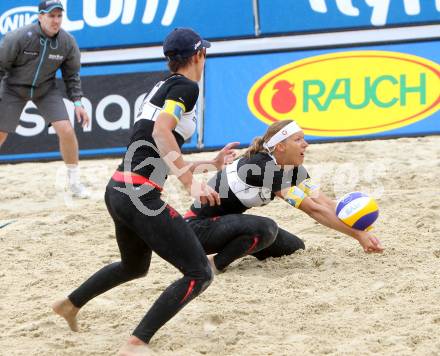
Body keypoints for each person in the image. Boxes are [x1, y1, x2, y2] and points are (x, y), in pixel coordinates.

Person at [52, 28, 238, 354]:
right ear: (198, 55)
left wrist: (211, 162)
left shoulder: (163, 87)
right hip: (139, 196)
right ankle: (136, 343)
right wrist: (189, 182)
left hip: (119, 190)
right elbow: (161, 133)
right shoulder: (186, 86)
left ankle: (69, 304)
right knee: (198, 273)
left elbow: (157, 150)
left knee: (134, 266)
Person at [184, 120, 384, 273]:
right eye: (298, 140)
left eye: (304, 139)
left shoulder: (293, 167)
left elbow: (323, 202)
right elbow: (312, 209)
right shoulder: (262, 166)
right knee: (266, 228)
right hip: (197, 231)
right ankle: (212, 265)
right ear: (280, 146)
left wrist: (358, 225)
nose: (306, 144)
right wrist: (358, 236)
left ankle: (239, 246)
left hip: (227, 225)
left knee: (294, 247)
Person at [0, 0, 90, 198]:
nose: (56, 20)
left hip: (44, 89)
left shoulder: (67, 42)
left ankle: (74, 183)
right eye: (51, 16)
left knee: (66, 129)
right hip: (13, 88)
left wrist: (77, 102)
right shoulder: (19, 37)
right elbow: (0, 65)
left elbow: (72, 77)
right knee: (0, 134)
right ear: (40, 17)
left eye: (59, 16)